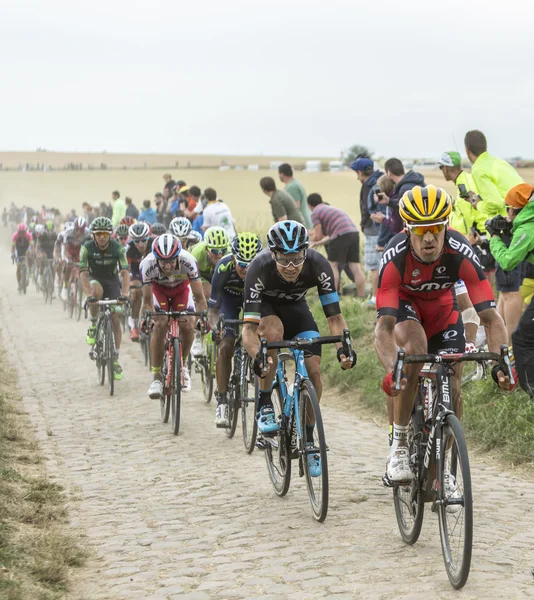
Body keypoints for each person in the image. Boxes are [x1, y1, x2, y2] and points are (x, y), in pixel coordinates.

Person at [375, 185, 512, 483]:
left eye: (436, 228)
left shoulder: (459, 250)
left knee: (453, 376)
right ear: (407, 229)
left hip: (442, 310)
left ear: (446, 226)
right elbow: (383, 329)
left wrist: (503, 361)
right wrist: (392, 369)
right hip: (405, 308)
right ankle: (398, 445)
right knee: (414, 348)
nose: (429, 238)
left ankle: (443, 469)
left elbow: (491, 317)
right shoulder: (395, 256)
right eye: (421, 230)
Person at [242, 222, 356, 469]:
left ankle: (309, 436)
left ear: (306, 252)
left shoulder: (319, 265)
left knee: (314, 370)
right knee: (272, 333)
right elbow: (248, 331)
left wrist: (343, 349)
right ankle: (264, 404)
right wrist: (257, 356)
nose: (292, 267)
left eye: (297, 258)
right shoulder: (258, 267)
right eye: (284, 260)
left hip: (297, 310)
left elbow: (335, 318)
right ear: (273, 254)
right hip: (266, 309)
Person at [465, 130, 524, 343]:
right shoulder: (497, 162)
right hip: (521, 221)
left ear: (467, 150)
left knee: (509, 291)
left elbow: (495, 203)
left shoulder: (479, 168)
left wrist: (477, 203)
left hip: (508, 226)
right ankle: (499, 343)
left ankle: (511, 349)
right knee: (503, 291)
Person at [140, 234, 208, 398]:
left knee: (188, 325)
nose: (168, 265)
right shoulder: (147, 265)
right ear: (156, 259)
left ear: (178, 256)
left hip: (181, 290)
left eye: (171, 260)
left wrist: (202, 319)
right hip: (159, 291)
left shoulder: (188, 261)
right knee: (161, 323)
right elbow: (147, 301)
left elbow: (199, 298)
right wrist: (146, 318)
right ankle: (156, 377)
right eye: (163, 261)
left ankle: (183, 365)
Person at [209, 233, 262, 426]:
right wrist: (216, 327)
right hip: (228, 302)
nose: (246, 269)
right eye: (241, 264)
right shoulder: (222, 267)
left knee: (260, 342)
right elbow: (212, 310)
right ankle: (222, 401)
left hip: (251, 301)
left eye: (250, 264)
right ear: (233, 259)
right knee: (225, 346)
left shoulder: (263, 267)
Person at [489, 183, 534, 398]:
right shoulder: (527, 222)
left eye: (508, 209)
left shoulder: (528, 227)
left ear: (516, 209)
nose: (506, 214)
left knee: (522, 337)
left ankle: (529, 391)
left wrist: (495, 239)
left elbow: (508, 261)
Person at [80, 217, 130, 380]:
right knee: (96, 292)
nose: (102, 237)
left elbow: (124, 272)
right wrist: (88, 296)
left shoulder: (118, 248)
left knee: (116, 317)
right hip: (96, 280)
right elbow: (84, 274)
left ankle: (115, 358)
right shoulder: (86, 248)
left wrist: (124, 294)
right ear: (93, 235)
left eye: (105, 234)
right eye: (98, 233)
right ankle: (94, 324)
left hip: (112, 281)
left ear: (110, 234)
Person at [307, 193, 366, 296]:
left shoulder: (315, 212)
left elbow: (318, 236)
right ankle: (362, 296)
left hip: (341, 236)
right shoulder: (329, 209)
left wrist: (309, 238)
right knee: (355, 267)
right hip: (353, 233)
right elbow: (329, 236)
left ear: (310, 205)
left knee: (333, 266)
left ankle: (332, 297)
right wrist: (316, 241)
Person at [351, 157, 384, 306]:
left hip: (372, 230)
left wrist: (363, 225)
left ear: (360, 172)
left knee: (374, 266)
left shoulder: (367, 185)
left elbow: (366, 210)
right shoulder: (382, 180)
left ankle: (375, 299)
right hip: (385, 229)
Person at [125, 222, 154, 342]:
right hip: (136, 271)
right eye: (137, 241)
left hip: (152, 269)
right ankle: (133, 324)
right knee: (136, 292)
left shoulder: (154, 244)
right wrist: (127, 288)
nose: (140, 244)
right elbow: (126, 270)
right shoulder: (129, 248)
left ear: (149, 236)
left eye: (143, 240)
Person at [60, 217, 91, 302]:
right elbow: (65, 249)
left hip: (80, 250)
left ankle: (84, 294)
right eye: (77, 229)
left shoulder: (88, 234)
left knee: (84, 270)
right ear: (74, 227)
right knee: (68, 266)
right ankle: (65, 287)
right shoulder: (68, 232)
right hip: (69, 249)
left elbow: (90, 249)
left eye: (81, 230)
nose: (78, 232)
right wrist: (67, 259)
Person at [278, 163, 313, 229]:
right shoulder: (296, 183)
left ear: (282, 174)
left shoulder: (292, 187)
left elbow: (296, 206)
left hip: (301, 223)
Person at [11, 223, 33, 292]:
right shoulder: (15, 236)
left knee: (29, 254)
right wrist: (13, 254)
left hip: (27, 248)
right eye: (20, 232)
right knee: (18, 268)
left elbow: (32, 246)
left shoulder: (29, 235)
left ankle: (29, 269)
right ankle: (19, 284)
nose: (22, 234)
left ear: (26, 231)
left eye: (23, 232)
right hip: (19, 249)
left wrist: (33, 253)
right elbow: (13, 248)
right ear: (18, 231)